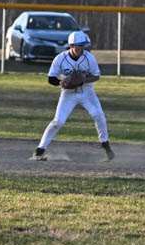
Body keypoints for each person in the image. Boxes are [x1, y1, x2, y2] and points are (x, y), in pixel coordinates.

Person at [30, 31, 114, 161]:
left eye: (83, 45)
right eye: (79, 45)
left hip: (86, 92)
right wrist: (61, 82)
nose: (82, 48)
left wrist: (83, 80)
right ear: (71, 46)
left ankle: (105, 144)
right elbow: (51, 78)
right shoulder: (60, 59)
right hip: (68, 94)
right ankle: (40, 150)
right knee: (58, 121)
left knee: (98, 114)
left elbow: (96, 76)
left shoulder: (89, 58)